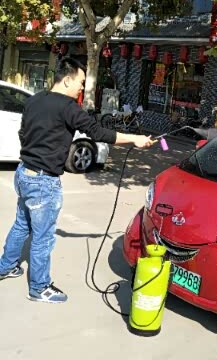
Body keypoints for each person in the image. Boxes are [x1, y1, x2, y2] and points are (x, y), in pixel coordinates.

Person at [0, 57, 153, 304]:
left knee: (21, 225)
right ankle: (39, 288)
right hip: (43, 182)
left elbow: (22, 133)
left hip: (24, 173)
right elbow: (98, 133)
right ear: (67, 80)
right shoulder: (69, 107)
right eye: (81, 82)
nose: (82, 87)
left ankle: (5, 266)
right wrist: (134, 139)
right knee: (43, 237)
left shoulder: (34, 100)